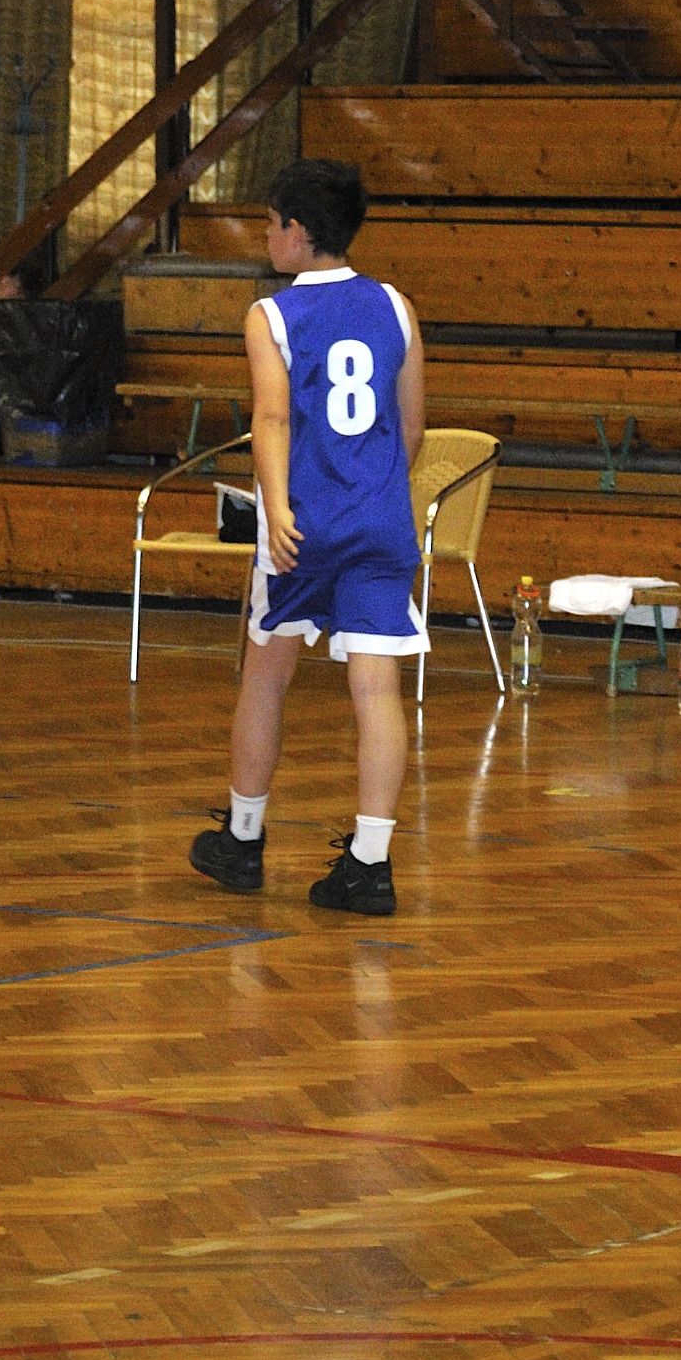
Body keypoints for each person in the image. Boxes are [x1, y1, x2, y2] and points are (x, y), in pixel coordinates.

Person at [185, 157, 426, 918]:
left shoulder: (272, 315)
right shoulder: (396, 305)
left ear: (296, 230)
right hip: (380, 521)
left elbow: (272, 418)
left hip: (305, 523)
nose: (266, 236)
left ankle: (243, 839)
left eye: (269, 223)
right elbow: (412, 427)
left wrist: (278, 505)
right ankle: (370, 863)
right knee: (377, 692)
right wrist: (375, 493)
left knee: (265, 677)